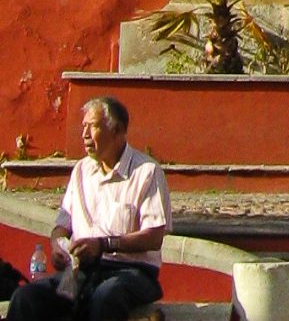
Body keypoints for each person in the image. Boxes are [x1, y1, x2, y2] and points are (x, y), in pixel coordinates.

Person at [6, 95, 169, 321]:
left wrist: (103, 244)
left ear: (117, 131)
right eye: (83, 127)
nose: (84, 135)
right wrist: (57, 247)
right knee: (27, 298)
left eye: (92, 127)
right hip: (79, 272)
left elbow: (154, 237)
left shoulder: (147, 172)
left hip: (131, 273)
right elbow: (62, 226)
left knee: (105, 298)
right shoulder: (81, 170)